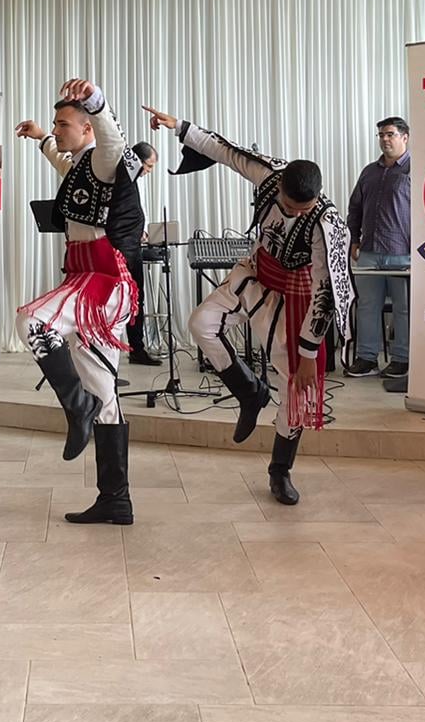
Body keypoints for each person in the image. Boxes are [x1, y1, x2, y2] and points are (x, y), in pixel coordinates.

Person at [145, 106, 354, 506]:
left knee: (295, 389)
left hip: (296, 296)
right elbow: (228, 152)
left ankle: (280, 470)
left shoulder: (328, 225)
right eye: (290, 205)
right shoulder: (270, 174)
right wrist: (181, 127)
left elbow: (326, 291)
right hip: (255, 272)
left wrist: (309, 355)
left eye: (304, 208)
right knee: (201, 323)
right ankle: (249, 392)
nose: (296, 213)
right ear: (282, 187)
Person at [14, 79, 140, 525]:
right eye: (54, 123)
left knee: (31, 321)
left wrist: (97, 102)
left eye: (62, 124)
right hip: (90, 281)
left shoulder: (103, 159)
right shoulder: (81, 166)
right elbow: (60, 160)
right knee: (106, 394)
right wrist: (40, 138)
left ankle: (76, 405)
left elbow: (115, 143)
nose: (56, 129)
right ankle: (116, 500)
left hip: (102, 282)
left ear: (87, 128)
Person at [346, 117, 412, 379]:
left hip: (403, 253)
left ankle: (402, 359)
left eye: (390, 134)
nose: (385, 139)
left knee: (404, 309)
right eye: (381, 135)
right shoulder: (369, 172)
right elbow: (355, 208)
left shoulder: (416, 170)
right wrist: (353, 239)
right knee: (367, 306)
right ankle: (366, 358)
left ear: (404, 137)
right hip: (369, 251)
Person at [122, 141, 162, 366]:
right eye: (149, 166)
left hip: (134, 247)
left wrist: (143, 231)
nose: (150, 171)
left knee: (137, 299)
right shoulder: (122, 179)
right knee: (120, 300)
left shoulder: (137, 181)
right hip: (122, 249)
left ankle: (137, 349)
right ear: (137, 161)